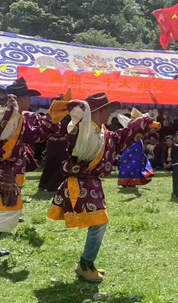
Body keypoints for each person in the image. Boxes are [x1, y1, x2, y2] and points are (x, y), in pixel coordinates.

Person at [47, 93, 159, 282]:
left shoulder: (102, 132)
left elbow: (121, 137)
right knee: (100, 222)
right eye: (108, 110)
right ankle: (85, 265)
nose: (110, 113)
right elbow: (82, 135)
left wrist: (141, 123)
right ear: (99, 111)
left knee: (99, 222)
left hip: (91, 182)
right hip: (81, 182)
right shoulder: (83, 130)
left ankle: (86, 263)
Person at [0, 78, 59, 257]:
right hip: (3, 169)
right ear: (21, 98)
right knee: (10, 207)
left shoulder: (11, 114)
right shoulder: (12, 116)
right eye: (28, 98)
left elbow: (34, 134)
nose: (30, 102)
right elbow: (28, 137)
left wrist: (53, 114)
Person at [117, 108, 154, 187]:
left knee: (134, 162)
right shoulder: (133, 124)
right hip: (131, 144)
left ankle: (132, 180)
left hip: (134, 144)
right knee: (131, 162)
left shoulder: (135, 124)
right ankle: (128, 181)